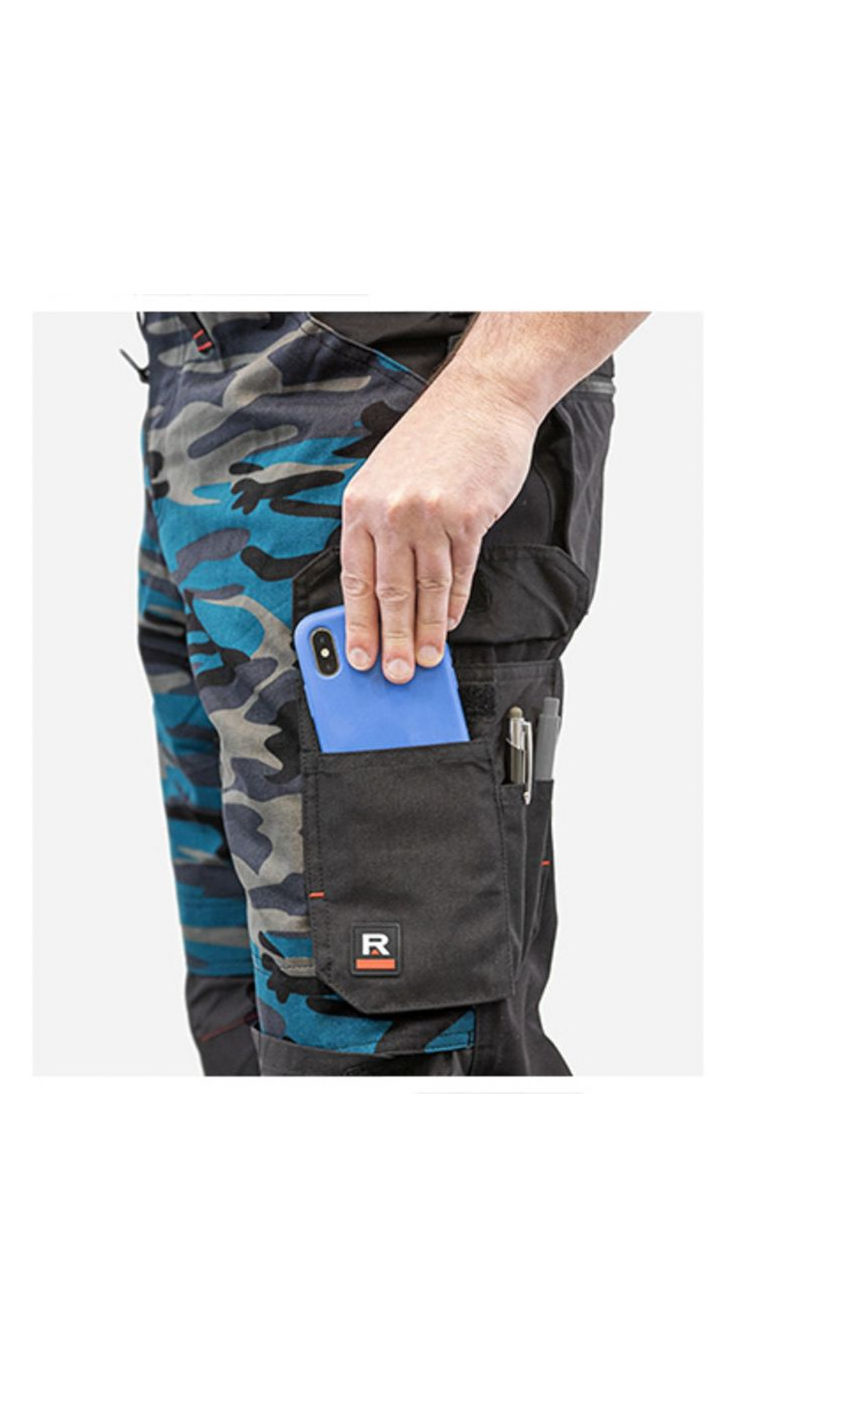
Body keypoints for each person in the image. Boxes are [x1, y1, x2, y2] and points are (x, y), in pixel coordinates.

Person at [133, 311, 647, 1075]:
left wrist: (494, 389)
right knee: (236, 1020)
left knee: (379, 1047)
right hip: (195, 392)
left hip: (387, 404)